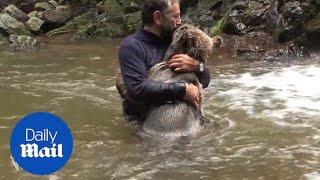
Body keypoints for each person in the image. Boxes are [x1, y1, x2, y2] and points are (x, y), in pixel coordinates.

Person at [118, 0, 210, 122]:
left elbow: (205, 81)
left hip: (185, 117)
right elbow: (137, 89)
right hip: (144, 122)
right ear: (158, 18)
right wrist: (182, 90)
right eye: (175, 16)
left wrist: (197, 66)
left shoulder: (179, 40)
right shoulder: (131, 47)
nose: (180, 21)